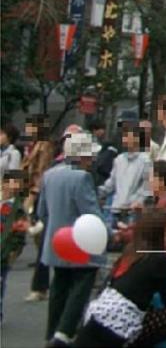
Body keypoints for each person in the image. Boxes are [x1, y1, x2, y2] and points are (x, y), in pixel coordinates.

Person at [38, 130, 109, 346]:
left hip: (56, 239)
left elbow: (42, 212)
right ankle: (64, 332)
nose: (92, 160)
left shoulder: (50, 175)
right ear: (82, 156)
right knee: (82, 283)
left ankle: (53, 331)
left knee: (59, 285)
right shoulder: (82, 178)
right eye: (90, 156)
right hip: (80, 241)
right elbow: (91, 213)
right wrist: (109, 231)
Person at [72, 207, 166, 347]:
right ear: (158, 234)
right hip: (120, 323)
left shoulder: (132, 251)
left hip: (99, 313)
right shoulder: (159, 259)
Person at [23, 116, 54, 302]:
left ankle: (40, 286)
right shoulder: (33, 145)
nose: (27, 129)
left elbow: (42, 171)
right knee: (40, 239)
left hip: (37, 194)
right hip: (30, 192)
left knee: (42, 238)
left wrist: (34, 192)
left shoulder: (44, 146)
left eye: (30, 126)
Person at [100, 122, 152, 232]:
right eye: (125, 136)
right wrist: (100, 192)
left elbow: (147, 186)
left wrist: (139, 201)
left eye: (130, 136)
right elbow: (112, 182)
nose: (126, 139)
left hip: (132, 211)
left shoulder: (145, 161)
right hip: (115, 209)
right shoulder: (118, 160)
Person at [1, 169, 30, 325]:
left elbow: (20, 234)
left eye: (17, 184)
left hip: (4, 251)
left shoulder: (18, 209)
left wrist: (15, 251)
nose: (12, 187)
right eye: (10, 182)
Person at [89, 121, 117, 189]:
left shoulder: (101, 143)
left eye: (104, 129)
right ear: (94, 130)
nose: (103, 132)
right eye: (101, 129)